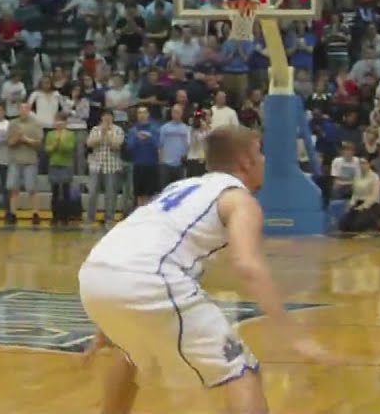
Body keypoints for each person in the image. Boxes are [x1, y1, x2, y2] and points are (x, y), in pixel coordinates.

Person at [78, 126, 328, 414]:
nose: (263, 160)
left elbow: (131, 249)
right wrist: (294, 335)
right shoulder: (239, 199)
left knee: (132, 352)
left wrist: (104, 328)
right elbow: (248, 266)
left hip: (95, 272)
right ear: (246, 161)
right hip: (147, 278)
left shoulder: (180, 188)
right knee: (241, 371)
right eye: (259, 153)